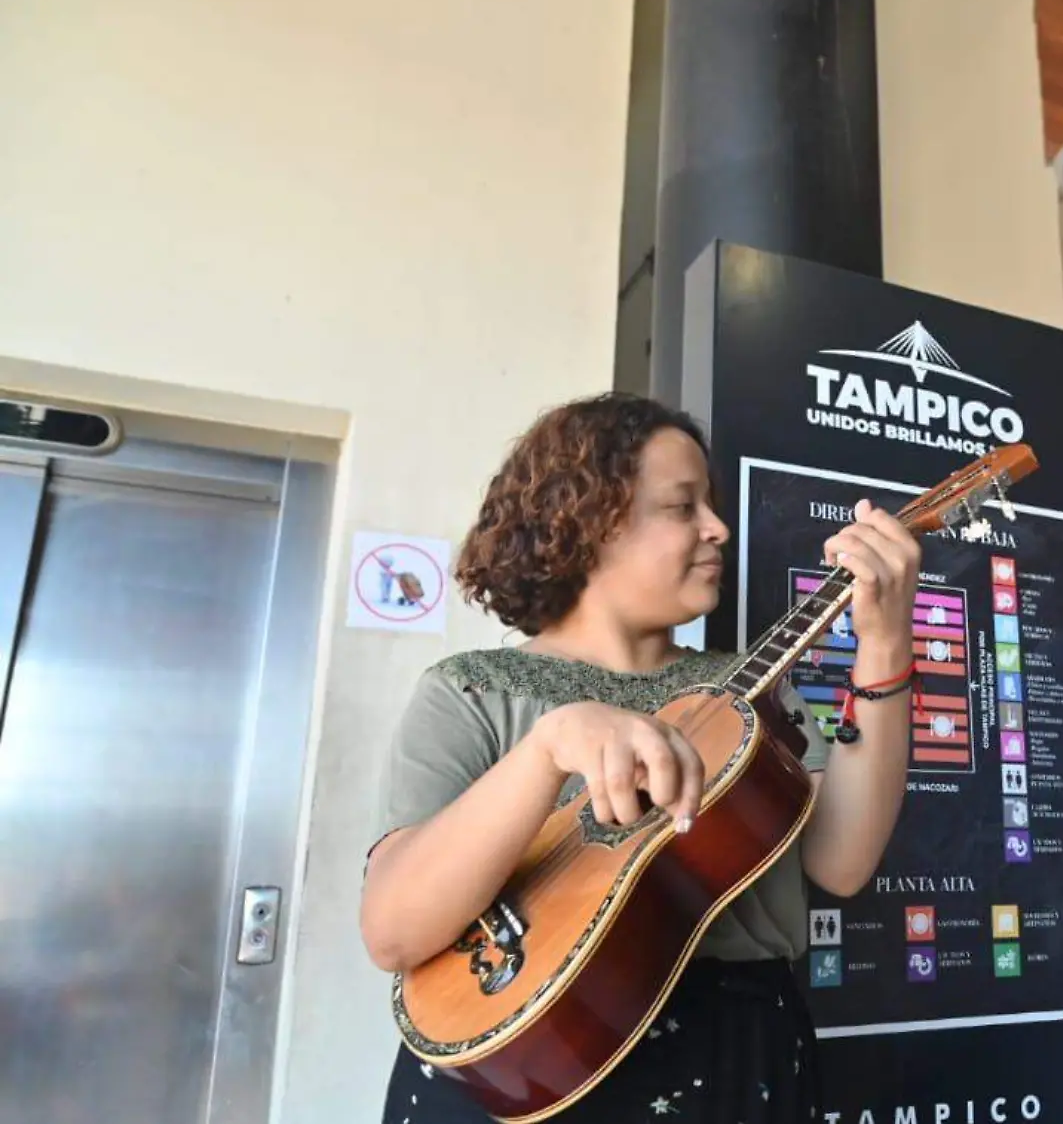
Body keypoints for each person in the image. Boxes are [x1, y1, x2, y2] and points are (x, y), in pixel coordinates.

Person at [359, 393, 920, 1124]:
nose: (718, 528)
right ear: (586, 521)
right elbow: (394, 930)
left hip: (733, 1057)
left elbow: (842, 860)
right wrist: (548, 749)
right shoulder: (469, 692)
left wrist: (884, 644)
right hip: (525, 1055)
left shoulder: (754, 691)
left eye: (710, 506)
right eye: (682, 507)